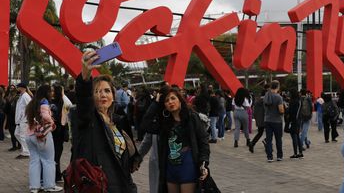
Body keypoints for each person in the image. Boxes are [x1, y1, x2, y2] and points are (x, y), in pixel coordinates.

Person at [72, 50, 139, 192]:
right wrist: (85, 74)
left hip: (122, 183)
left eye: (107, 91)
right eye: (97, 91)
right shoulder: (88, 119)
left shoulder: (119, 121)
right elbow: (83, 99)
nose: (102, 94)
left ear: (113, 96)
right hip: (97, 185)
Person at [152, 87, 210, 193]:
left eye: (173, 98)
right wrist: (155, 103)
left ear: (180, 100)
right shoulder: (164, 122)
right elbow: (145, 125)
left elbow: (203, 141)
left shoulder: (192, 117)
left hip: (188, 165)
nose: (170, 102)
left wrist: (204, 163)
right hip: (170, 167)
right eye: (166, 100)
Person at [25, 84, 63, 193]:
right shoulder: (44, 101)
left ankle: (34, 187)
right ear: (45, 92)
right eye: (50, 91)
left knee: (34, 161)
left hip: (30, 135)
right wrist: (52, 122)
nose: (52, 93)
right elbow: (45, 115)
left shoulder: (32, 102)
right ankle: (49, 186)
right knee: (49, 161)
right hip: (42, 135)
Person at [263, 80, 284, 162]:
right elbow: (281, 110)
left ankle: (269, 157)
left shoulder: (266, 96)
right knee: (278, 139)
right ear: (278, 87)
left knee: (269, 139)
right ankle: (279, 156)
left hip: (267, 120)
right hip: (277, 121)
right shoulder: (278, 97)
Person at [15, 82, 32, 158]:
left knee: (22, 136)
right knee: (17, 134)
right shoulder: (22, 96)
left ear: (22, 88)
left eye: (18, 87)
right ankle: (26, 149)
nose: (17, 89)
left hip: (24, 120)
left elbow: (30, 107)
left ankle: (26, 152)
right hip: (20, 119)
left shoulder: (26, 96)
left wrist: (27, 118)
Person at [286, 89, 304, 159]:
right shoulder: (299, 101)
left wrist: (287, 109)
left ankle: (295, 153)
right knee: (297, 136)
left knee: (294, 136)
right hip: (299, 119)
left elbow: (291, 112)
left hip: (293, 120)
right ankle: (300, 152)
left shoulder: (293, 101)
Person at [248, 88, 267, 153]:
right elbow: (266, 110)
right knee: (270, 132)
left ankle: (252, 143)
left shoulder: (257, 101)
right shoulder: (265, 101)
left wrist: (256, 118)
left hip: (259, 119)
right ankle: (267, 143)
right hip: (265, 119)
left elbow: (254, 112)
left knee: (260, 133)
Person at [4, 85, 21, 151]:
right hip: (17, 117)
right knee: (17, 132)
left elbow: (7, 109)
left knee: (13, 132)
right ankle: (19, 145)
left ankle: (14, 146)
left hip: (12, 118)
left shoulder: (10, 99)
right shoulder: (19, 98)